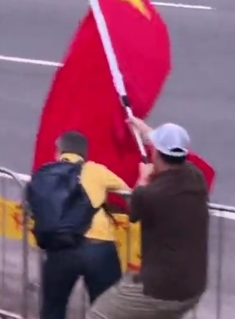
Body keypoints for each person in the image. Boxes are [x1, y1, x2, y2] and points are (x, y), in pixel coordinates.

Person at [86, 120, 208, 319]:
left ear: (156, 154)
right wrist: (143, 129)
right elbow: (171, 151)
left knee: (98, 314)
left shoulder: (151, 194)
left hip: (162, 288)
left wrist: (142, 178)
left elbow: (133, 210)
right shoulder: (196, 177)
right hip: (193, 285)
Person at [28, 131, 129, 319]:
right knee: (105, 311)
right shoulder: (95, 170)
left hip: (59, 248)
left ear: (58, 151)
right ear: (85, 153)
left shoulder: (45, 173)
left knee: (53, 308)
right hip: (98, 249)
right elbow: (127, 194)